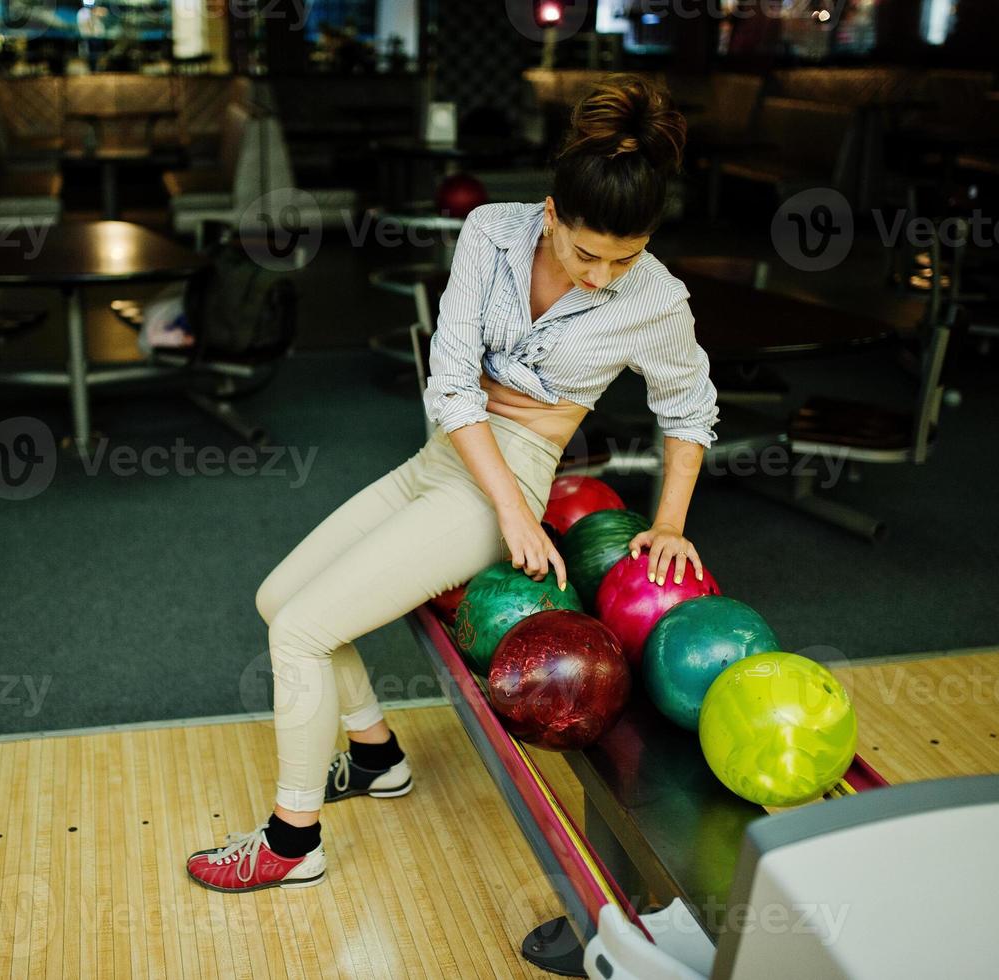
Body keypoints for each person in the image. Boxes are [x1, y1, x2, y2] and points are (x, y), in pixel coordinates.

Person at [186, 74, 719, 893]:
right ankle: (376, 757)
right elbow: (450, 385)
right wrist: (514, 517)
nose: (600, 277)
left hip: (503, 478)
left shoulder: (654, 299)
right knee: (276, 602)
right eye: (584, 252)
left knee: (298, 635)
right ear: (549, 215)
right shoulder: (491, 234)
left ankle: (291, 844)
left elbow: (688, 409)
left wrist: (670, 521)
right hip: (448, 461)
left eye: (624, 257)